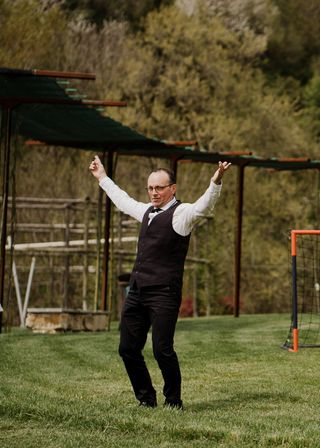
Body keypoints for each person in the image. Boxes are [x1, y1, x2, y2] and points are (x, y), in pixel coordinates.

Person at [89, 155, 231, 409]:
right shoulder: (146, 211)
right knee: (127, 349)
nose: (153, 193)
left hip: (164, 293)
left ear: (172, 189)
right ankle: (146, 398)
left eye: (159, 188)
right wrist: (102, 177)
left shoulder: (182, 214)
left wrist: (216, 181)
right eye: (150, 188)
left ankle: (173, 401)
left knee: (162, 350)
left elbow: (204, 206)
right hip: (137, 291)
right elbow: (123, 201)